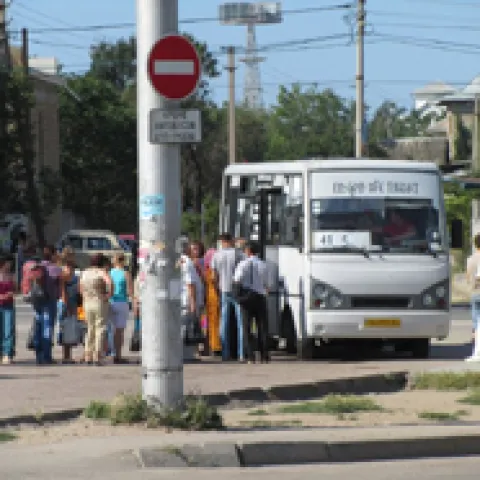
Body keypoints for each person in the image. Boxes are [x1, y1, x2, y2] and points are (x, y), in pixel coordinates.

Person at [233, 241, 270, 363]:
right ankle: (264, 355)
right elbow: (267, 284)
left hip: (247, 297)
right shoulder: (263, 265)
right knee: (262, 326)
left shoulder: (243, 264)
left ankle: (250, 356)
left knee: (247, 327)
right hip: (260, 296)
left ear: (248, 251)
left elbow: (237, 280)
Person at [211, 233, 245, 362]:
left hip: (223, 290)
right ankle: (241, 353)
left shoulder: (216, 255)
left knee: (224, 322)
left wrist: (217, 288)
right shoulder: (238, 254)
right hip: (237, 290)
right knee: (240, 322)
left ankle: (225, 353)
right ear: (231, 240)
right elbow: (244, 269)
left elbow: (214, 276)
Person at [80, 254, 112, 365]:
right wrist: (108, 295)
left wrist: (85, 296)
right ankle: (97, 355)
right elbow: (109, 282)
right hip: (99, 301)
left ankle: (87, 354)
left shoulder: (85, 272)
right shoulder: (101, 272)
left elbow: (81, 287)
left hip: (87, 302)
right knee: (100, 328)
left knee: (90, 328)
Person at [34, 245, 62, 365]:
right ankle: (46, 356)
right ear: (53, 254)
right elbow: (60, 284)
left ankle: (38, 355)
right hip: (49, 300)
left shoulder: (36, 266)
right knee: (47, 327)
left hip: (36, 299)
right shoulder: (55, 268)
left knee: (38, 326)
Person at [180, 242, 205, 351]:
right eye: (193, 249)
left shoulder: (184, 261)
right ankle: (187, 351)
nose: (196, 251)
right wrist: (193, 303)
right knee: (188, 326)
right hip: (189, 301)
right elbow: (191, 284)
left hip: (188, 299)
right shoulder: (187, 262)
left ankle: (190, 350)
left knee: (189, 326)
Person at [109, 253, 133, 364]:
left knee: (110, 330)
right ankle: (118, 355)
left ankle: (110, 353)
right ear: (123, 261)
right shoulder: (126, 274)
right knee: (119, 331)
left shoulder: (109, 273)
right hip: (122, 303)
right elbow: (129, 291)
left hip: (111, 302)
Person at [57, 247, 79, 364]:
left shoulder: (66, 269)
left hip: (70, 301)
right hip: (68, 302)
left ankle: (67, 355)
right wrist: (67, 304)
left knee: (67, 328)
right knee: (67, 328)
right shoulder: (67, 271)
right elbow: (63, 289)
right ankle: (66, 356)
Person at [204, 247, 221, 355]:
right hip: (214, 299)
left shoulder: (207, 271)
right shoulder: (212, 271)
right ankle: (215, 346)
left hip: (209, 299)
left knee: (209, 324)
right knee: (214, 324)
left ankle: (210, 345)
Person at [466, 233, 480, 362]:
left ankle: (476, 350)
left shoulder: (471, 259)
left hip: (475, 293)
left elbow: (468, 276)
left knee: (476, 322)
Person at [0, 256, 15, 364]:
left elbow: (16, 290)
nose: (9, 265)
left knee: (8, 330)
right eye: (7, 263)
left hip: (9, 305)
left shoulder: (11, 276)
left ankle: (7, 353)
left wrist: (11, 293)